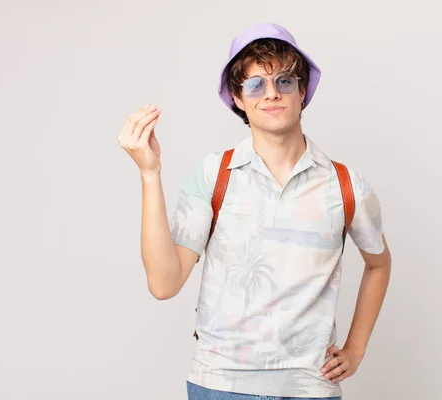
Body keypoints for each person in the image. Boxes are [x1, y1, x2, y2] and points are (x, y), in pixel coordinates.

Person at [118, 22, 392, 400]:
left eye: (284, 81)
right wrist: (150, 174)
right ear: (238, 97)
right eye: (255, 84)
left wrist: (356, 348)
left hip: (309, 389)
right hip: (220, 387)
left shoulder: (346, 185)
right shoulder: (214, 175)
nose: (271, 94)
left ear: (302, 91)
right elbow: (164, 284)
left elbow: (378, 263)